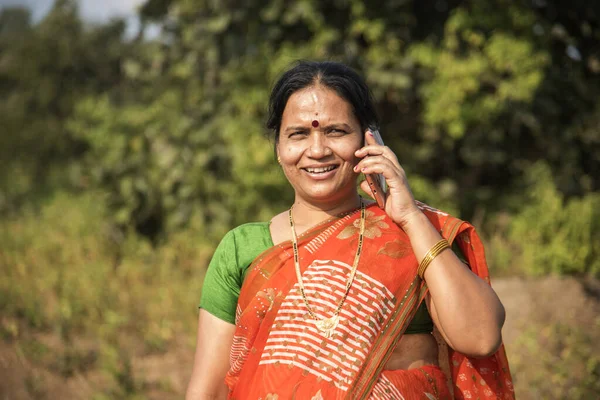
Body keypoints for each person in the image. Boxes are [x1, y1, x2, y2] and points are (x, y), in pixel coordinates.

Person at [186, 61, 514, 400]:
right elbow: (205, 391)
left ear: (368, 139)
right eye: (298, 134)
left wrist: (410, 217)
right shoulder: (243, 248)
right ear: (278, 148)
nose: (317, 150)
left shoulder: (415, 236)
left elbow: (480, 336)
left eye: (336, 131)